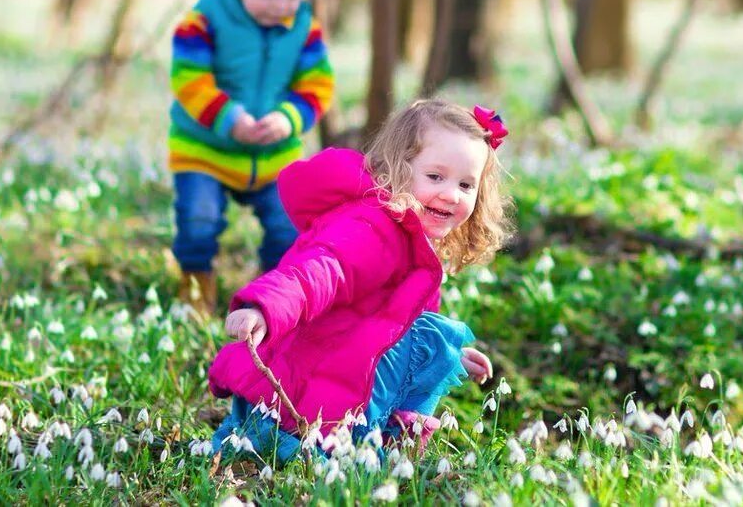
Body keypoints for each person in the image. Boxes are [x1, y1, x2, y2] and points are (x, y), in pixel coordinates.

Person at [206, 99, 513, 463]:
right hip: (302, 396)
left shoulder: (412, 241)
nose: (451, 193)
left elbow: (395, 321)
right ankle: (345, 442)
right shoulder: (373, 228)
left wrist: (448, 360)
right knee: (434, 335)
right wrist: (266, 307)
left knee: (435, 339)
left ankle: (352, 439)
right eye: (435, 177)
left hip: (321, 382)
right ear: (397, 170)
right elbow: (321, 270)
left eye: (466, 184)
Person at [169, 0, 335, 315]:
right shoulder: (204, 20)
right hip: (205, 148)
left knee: (286, 225)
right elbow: (190, 79)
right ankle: (195, 288)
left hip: (274, 151)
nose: (282, 5)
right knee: (199, 220)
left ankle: (270, 296)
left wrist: (289, 118)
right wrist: (229, 118)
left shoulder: (304, 27)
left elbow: (317, 83)